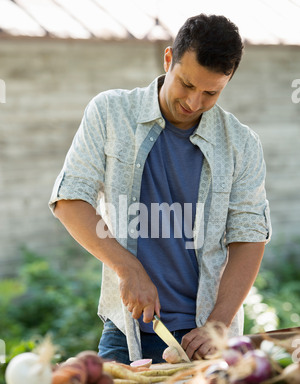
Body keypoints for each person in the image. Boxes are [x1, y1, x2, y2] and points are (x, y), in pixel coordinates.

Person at [49, 14, 271, 364]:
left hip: (209, 340)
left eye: (211, 92)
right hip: (126, 333)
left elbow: (249, 237)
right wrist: (128, 268)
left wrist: (218, 324)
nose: (194, 102)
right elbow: (69, 200)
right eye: (186, 84)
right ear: (168, 59)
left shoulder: (241, 144)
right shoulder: (110, 112)